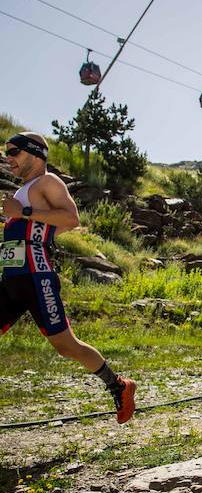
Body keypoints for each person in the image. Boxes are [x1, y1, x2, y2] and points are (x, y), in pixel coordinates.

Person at [1, 133, 136, 423]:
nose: (8, 158)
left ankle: (119, 385)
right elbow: (48, 228)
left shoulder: (47, 182)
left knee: (66, 345)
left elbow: (72, 219)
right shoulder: (25, 189)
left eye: (14, 152)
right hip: (12, 278)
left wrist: (23, 213)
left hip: (37, 278)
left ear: (35, 154)